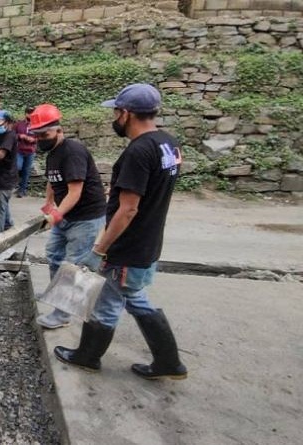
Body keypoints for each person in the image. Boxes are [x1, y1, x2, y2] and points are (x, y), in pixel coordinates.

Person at [54, 84, 187, 380]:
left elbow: (128, 209)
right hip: (149, 241)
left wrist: (100, 248)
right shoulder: (169, 143)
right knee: (135, 297)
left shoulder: (138, 152)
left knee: (106, 302)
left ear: (126, 114)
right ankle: (169, 362)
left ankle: (88, 356)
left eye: (115, 111)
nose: (113, 118)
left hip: (128, 245)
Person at [28, 104, 107, 329]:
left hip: (86, 217)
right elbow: (53, 180)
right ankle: (58, 294)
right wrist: (49, 203)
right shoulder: (52, 153)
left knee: (76, 266)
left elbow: (75, 191)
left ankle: (62, 315)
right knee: (54, 255)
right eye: (37, 135)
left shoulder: (72, 151)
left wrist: (55, 215)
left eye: (45, 134)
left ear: (59, 130)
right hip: (67, 214)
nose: (41, 139)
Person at [15, 106, 37, 198]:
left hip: (30, 151)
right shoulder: (19, 124)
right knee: (18, 167)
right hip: (19, 150)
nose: (30, 114)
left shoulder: (37, 125)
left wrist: (33, 139)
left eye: (32, 113)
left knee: (26, 171)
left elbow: (40, 137)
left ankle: (22, 190)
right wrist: (20, 136)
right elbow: (12, 134)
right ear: (25, 113)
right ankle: (17, 184)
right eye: (29, 112)